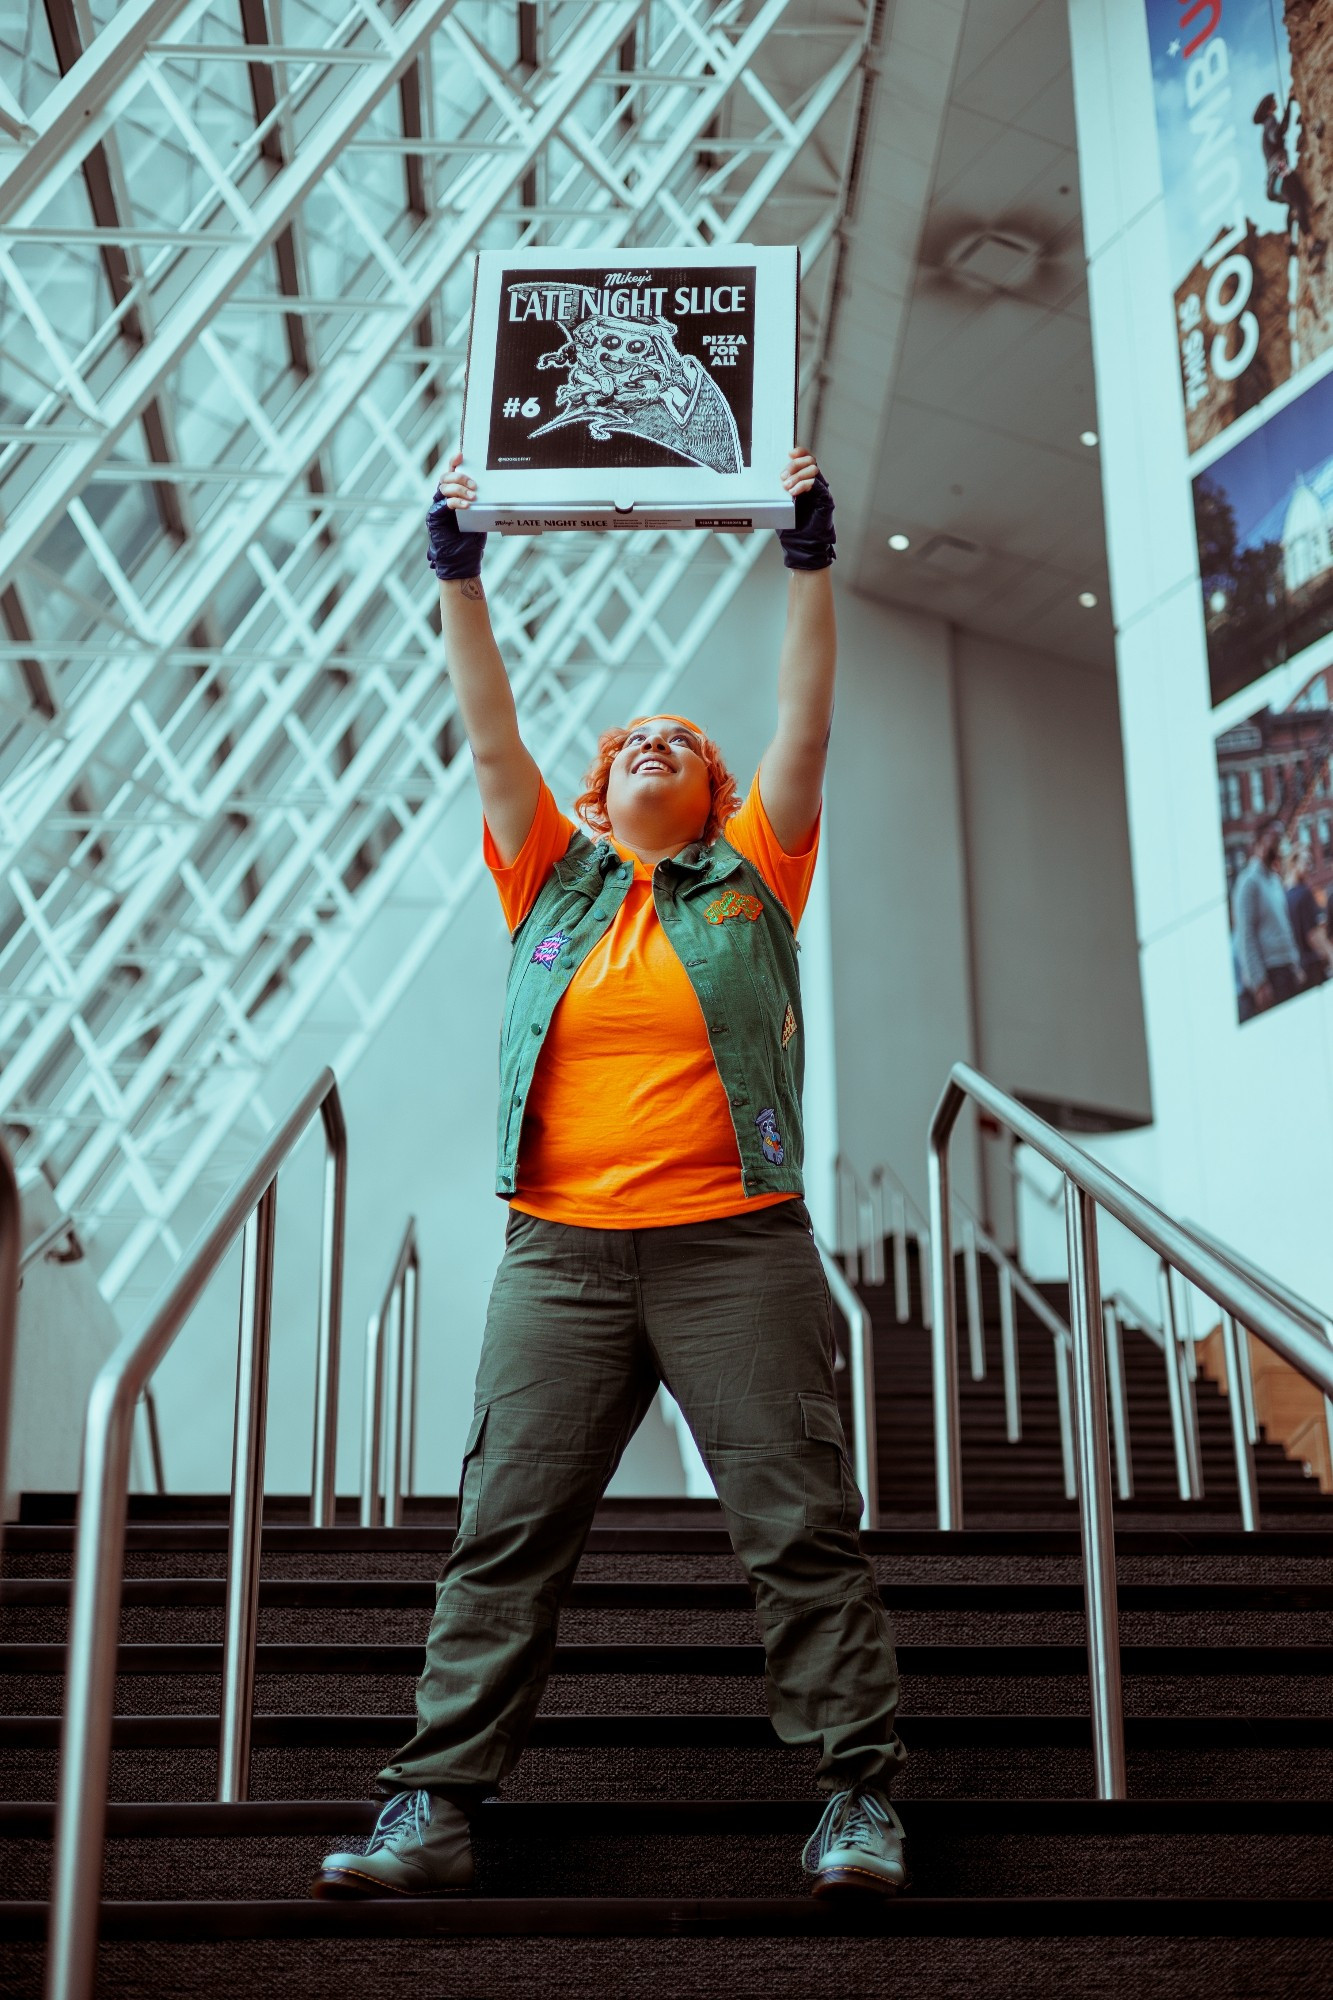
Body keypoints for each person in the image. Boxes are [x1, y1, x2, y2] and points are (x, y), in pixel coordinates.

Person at [311, 444, 907, 1904]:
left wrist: (807, 558)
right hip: (559, 1258)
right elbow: (488, 728)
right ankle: (433, 1809)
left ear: (712, 791)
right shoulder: (548, 878)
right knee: (501, 1535)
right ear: (598, 788)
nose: (658, 743)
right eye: (632, 738)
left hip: (736, 1247)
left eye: (682, 741)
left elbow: (804, 722)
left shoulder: (757, 866)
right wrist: (460, 575)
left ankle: (858, 1803)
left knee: (797, 1527)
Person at [1234, 818, 1303, 1010]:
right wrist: (1259, 982)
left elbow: (1284, 928)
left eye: (1282, 837)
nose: (1280, 842)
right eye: (1275, 836)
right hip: (1271, 974)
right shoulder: (1248, 882)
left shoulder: (1274, 880)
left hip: (1288, 969)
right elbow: (1245, 933)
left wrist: (1295, 964)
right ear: (1260, 841)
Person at [1254, 93, 1325, 259]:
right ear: (1269, 108)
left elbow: (1279, 133)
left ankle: (1288, 242)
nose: (1275, 102)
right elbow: (1279, 133)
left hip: (1272, 185)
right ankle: (1311, 242)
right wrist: (1289, 105)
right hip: (1280, 172)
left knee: (1293, 205)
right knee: (1299, 201)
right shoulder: (1269, 122)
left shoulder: (1265, 128)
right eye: (1274, 101)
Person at [1284, 843, 1333, 988]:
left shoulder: (1284, 896)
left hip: (1300, 967)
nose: (1309, 867)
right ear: (1294, 863)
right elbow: (1312, 934)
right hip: (1313, 964)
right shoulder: (1304, 893)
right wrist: (1330, 955)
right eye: (1306, 862)